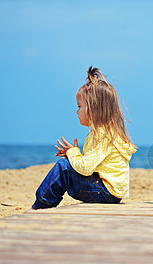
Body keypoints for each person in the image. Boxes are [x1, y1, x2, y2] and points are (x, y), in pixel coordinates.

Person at [32, 66, 136, 209]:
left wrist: (73, 153)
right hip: (110, 193)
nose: (77, 112)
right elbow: (92, 165)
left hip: (104, 192)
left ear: (93, 108)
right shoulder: (109, 133)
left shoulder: (101, 135)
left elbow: (85, 168)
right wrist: (73, 154)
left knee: (63, 168)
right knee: (67, 166)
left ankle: (41, 204)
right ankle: (46, 202)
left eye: (79, 106)